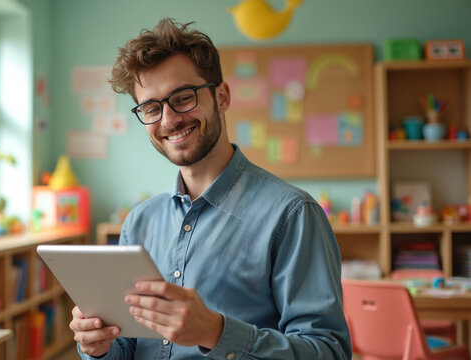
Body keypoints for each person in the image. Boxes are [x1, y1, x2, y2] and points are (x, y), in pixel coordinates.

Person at [70, 18, 352, 359]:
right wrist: (98, 347)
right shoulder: (139, 222)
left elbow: (328, 351)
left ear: (222, 97)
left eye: (183, 97)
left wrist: (216, 333)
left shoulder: (292, 215)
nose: (169, 119)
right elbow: (126, 348)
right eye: (151, 108)